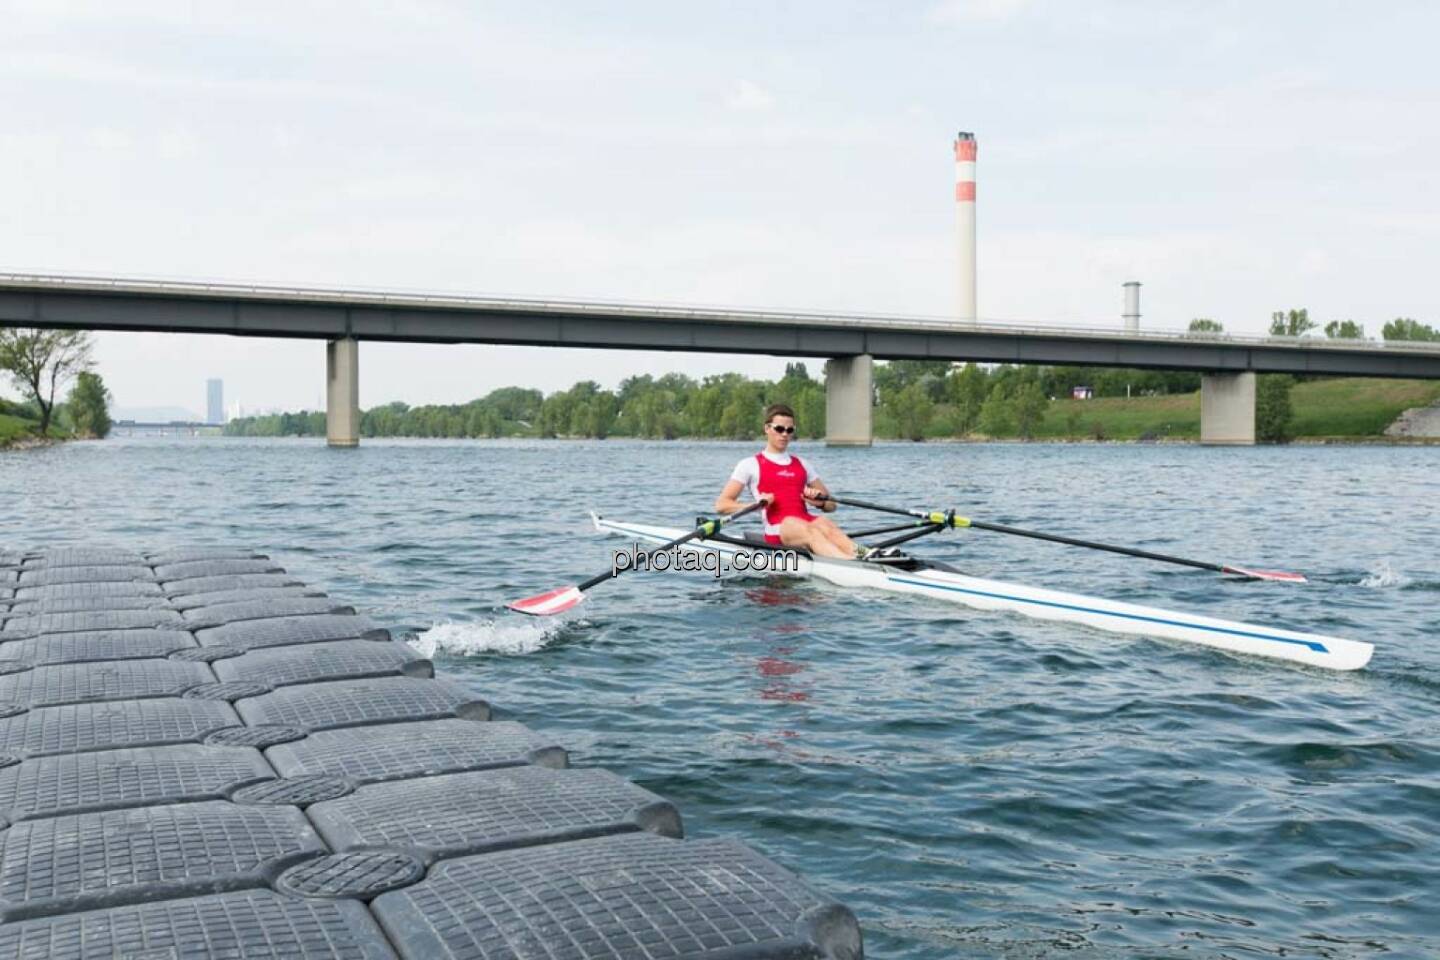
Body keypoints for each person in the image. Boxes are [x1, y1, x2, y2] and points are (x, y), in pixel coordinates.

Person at [714, 403, 863, 559]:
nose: (784, 434)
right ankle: (849, 563)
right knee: (808, 528)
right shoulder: (749, 465)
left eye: (790, 430)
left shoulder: (803, 464)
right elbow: (722, 505)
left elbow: (832, 505)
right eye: (779, 429)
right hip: (779, 529)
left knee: (827, 525)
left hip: (807, 523)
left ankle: (863, 555)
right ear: (767, 429)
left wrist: (820, 502)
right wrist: (756, 504)